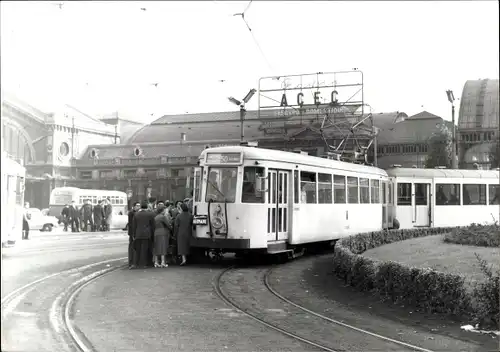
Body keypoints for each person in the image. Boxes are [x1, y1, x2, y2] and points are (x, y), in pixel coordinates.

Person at [132, 201, 156, 269]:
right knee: (145, 249)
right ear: (147, 207)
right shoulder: (150, 214)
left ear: (141, 207)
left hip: (138, 233)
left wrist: (134, 235)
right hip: (147, 234)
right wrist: (153, 233)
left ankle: (136, 263)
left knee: (138, 249)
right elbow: (153, 225)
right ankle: (144, 263)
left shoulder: (136, 214)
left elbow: (134, 226)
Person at [127, 202, 140, 269]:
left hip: (135, 232)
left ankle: (134, 261)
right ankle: (131, 262)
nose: (138, 207)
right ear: (134, 206)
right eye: (137, 206)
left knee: (134, 247)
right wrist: (133, 234)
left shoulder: (136, 213)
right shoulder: (132, 213)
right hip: (133, 233)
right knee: (132, 247)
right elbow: (131, 224)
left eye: (139, 206)